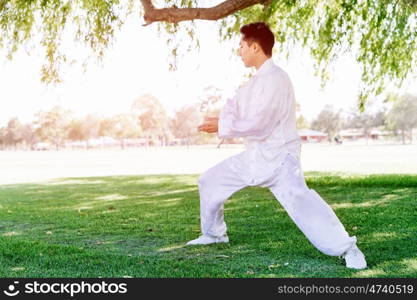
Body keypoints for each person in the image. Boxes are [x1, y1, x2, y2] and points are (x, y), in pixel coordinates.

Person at [186, 22, 367, 270]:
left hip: (281, 159)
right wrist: (220, 120)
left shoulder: (277, 79)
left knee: (302, 202)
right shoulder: (254, 83)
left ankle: (348, 248)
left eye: (242, 46)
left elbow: (260, 124)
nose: (239, 51)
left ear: (255, 47)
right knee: (210, 181)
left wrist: (223, 125)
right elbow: (234, 105)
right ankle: (215, 234)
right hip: (254, 157)